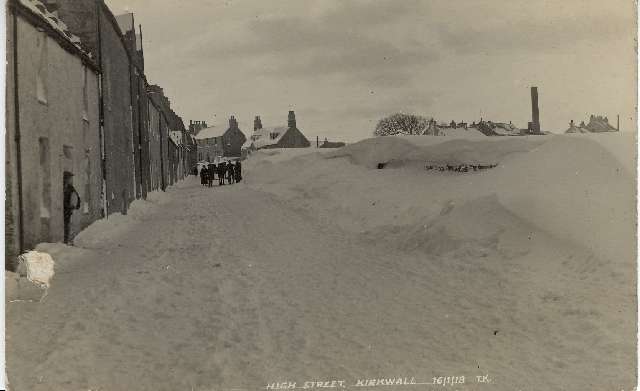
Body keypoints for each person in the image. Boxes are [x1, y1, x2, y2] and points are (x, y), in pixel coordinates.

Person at [63, 171, 81, 245]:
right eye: (70, 178)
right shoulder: (62, 187)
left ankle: (68, 241)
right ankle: (66, 241)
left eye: (71, 178)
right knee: (66, 225)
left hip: (68, 210)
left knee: (68, 225)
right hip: (64, 210)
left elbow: (77, 196)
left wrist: (77, 205)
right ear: (66, 179)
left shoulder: (70, 188)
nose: (71, 180)